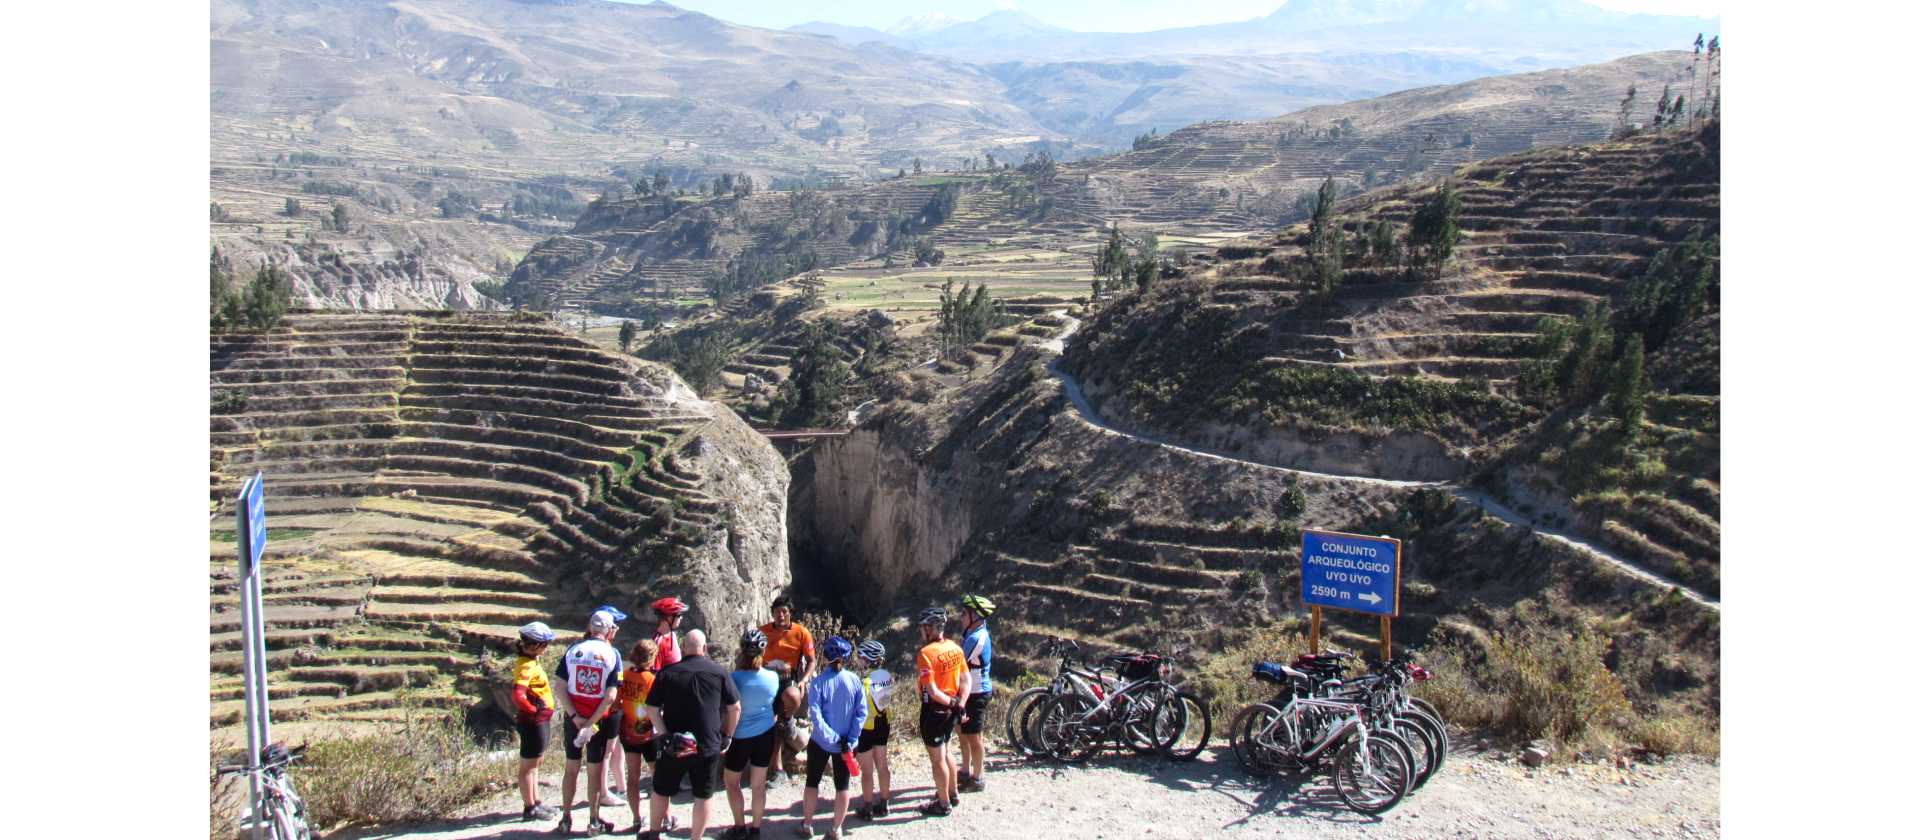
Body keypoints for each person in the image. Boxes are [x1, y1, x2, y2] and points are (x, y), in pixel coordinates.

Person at [644, 629, 741, 840]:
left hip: (674, 744)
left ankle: (653, 834)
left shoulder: (667, 673)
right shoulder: (719, 672)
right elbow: (735, 708)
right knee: (703, 795)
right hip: (708, 744)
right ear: (704, 648)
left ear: (684, 647)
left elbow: (651, 708)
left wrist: (664, 734)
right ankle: (695, 838)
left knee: (661, 790)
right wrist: (728, 736)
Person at [556, 607, 627, 834]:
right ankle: (593, 820)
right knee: (595, 770)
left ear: (590, 627)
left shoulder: (573, 650)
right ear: (609, 631)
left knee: (571, 766)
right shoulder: (612, 654)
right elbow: (610, 696)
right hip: (598, 720)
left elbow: (559, 686)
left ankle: (566, 817)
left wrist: (576, 717)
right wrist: (590, 723)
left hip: (573, 717)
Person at [801, 637, 868, 840]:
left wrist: (832, 738)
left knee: (812, 782)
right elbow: (861, 712)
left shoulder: (818, 683)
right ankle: (836, 828)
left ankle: (807, 824)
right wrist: (850, 738)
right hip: (846, 745)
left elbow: (816, 715)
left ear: (827, 656)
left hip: (821, 743)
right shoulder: (855, 681)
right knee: (843, 785)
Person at [722, 629, 779, 840]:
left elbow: (728, 707)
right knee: (758, 785)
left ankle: (739, 827)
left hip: (739, 737)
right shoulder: (773, 677)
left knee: (731, 782)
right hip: (765, 735)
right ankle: (755, 830)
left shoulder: (733, 678)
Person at [913, 607, 969, 817]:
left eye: (923, 627)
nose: (921, 631)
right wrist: (960, 704)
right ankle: (952, 794)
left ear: (932, 628)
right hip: (951, 709)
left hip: (935, 710)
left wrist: (953, 703)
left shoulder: (925, 654)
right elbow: (965, 680)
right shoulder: (955, 648)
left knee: (937, 759)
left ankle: (943, 803)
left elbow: (933, 691)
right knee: (946, 752)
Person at [759, 594, 815, 782]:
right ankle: (783, 726)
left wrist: (804, 680)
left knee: (791, 698)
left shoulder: (801, 632)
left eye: (784, 612)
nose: (780, 615)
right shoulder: (763, 631)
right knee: (773, 721)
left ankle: (786, 719)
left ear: (791, 613)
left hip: (787, 678)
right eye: (776, 612)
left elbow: (812, 660)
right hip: (765, 677)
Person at [617, 639, 671, 833]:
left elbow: (618, 700)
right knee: (658, 775)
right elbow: (658, 705)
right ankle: (666, 817)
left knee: (633, 776)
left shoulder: (625, 674)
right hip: (649, 732)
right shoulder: (652, 679)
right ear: (651, 657)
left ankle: (636, 818)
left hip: (628, 730)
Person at [510, 621, 560, 821]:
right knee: (528, 765)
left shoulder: (532, 661)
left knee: (535, 762)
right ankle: (529, 807)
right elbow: (518, 694)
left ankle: (536, 802)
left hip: (539, 719)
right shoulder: (526, 665)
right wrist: (533, 710)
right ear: (536, 645)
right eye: (545, 644)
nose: (547, 648)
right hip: (533, 721)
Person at [955, 594, 996, 793]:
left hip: (977, 692)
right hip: (966, 691)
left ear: (975, 616)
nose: (961, 616)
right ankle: (964, 770)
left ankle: (978, 777)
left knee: (974, 736)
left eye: (964, 613)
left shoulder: (977, 638)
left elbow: (958, 662)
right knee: (962, 731)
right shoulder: (972, 633)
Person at [852, 640, 893, 820]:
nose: (858, 659)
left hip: (866, 728)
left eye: (860, 656)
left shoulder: (863, 682)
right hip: (883, 724)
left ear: (867, 659)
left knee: (867, 771)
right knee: (882, 765)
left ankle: (867, 807)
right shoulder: (886, 676)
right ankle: (884, 804)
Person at [652, 596, 689, 671]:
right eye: (679, 615)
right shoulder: (659, 643)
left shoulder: (672, 634)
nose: (681, 618)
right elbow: (654, 674)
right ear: (669, 618)